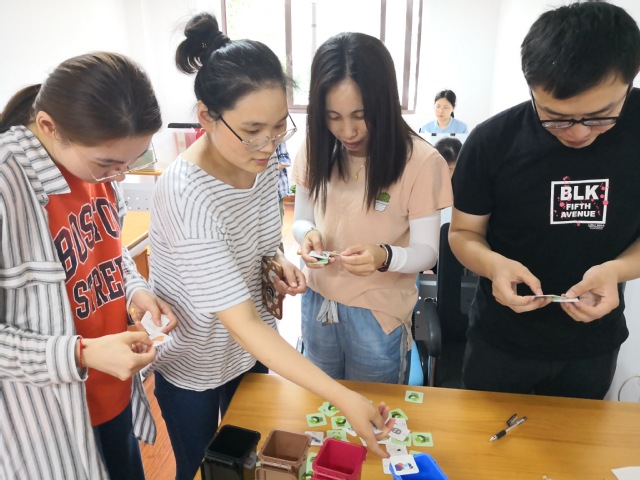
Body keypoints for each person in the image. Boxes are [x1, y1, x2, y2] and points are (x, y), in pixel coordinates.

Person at [146, 13, 393, 479]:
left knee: (250, 462)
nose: (268, 145)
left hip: (248, 352)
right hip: (195, 364)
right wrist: (343, 396)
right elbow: (239, 321)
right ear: (206, 117)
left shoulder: (259, 165)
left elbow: (263, 247)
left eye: (280, 127)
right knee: (204, 469)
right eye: (253, 129)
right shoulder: (186, 193)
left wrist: (278, 264)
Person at [449, 2, 640, 400]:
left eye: (601, 116)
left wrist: (617, 270)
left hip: (593, 345)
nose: (579, 133)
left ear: (631, 78)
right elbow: (463, 233)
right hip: (501, 341)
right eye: (556, 117)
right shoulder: (491, 141)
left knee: (573, 436)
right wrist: (493, 265)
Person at [0, 52, 177, 480]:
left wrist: (134, 289)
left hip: (111, 389)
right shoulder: (8, 181)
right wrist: (81, 353)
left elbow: (107, 248)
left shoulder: (97, 169)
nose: (120, 176)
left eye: (131, 162)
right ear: (48, 126)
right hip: (47, 414)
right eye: (108, 165)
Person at [292, 32, 452, 385]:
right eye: (333, 117)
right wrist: (308, 235)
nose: (347, 131)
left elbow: (427, 252)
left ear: (384, 103)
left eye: (360, 115)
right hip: (318, 304)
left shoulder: (421, 161)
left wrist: (384, 256)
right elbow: (301, 219)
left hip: (378, 314)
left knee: (373, 410)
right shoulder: (317, 147)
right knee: (320, 403)